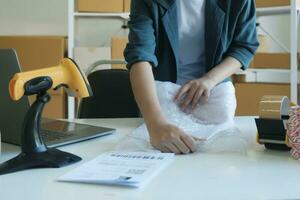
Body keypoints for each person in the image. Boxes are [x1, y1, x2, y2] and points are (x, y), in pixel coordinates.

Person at [124, 0, 259, 154]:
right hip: (163, 98)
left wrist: (209, 80)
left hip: (213, 95)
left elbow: (244, 46)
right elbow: (140, 56)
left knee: (222, 157)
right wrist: (155, 124)